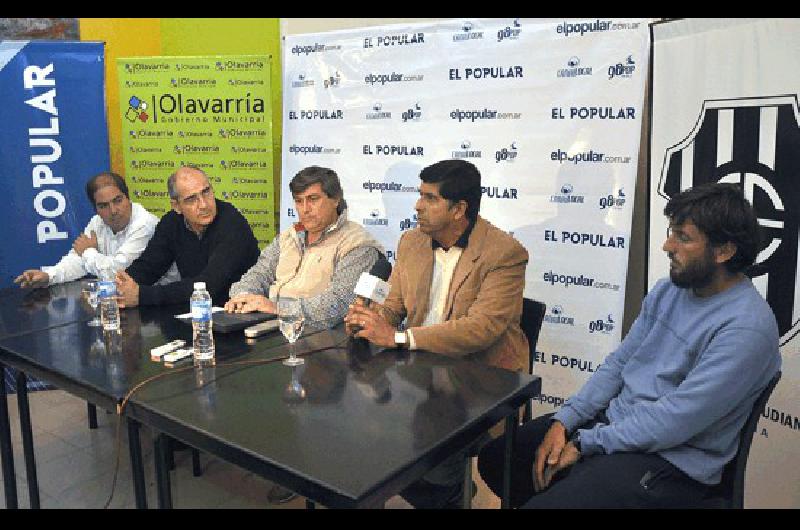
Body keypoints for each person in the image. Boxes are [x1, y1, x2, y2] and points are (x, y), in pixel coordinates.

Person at [478, 182, 782, 509]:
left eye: (683, 237)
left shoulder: (746, 328)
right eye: (671, 232)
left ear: (724, 251)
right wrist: (565, 421)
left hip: (672, 461)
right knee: (500, 459)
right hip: (618, 427)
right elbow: (620, 362)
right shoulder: (670, 290)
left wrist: (585, 443)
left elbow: (676, 420)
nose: (667, 245)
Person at [344, 159, 529, 508]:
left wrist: (399, 338)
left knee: (428, 453)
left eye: (430, 199)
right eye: (419, 195)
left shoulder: (504, 253)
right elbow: (394, 306)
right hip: (419, 369)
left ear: (459, 209)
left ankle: (448, 494)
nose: (417, 205)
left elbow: (482, 329)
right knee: (358, 431)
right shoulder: (411, 242)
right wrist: (369, 319)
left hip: (479, 375)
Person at [224, 166, 383, 333]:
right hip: (270, 328)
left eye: (313, 199)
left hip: (321, 340)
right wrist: (243, 297)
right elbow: (259, 274)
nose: (305, 209)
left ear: (335, 199)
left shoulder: (358, 245)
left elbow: (338, 305)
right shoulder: (289, 236)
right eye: (299, 201)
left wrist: (277, 308)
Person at [115, 165, 259, 307]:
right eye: (191, 199)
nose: (203, 205)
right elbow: (148, 267)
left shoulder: (232, 223)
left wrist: (142, 296)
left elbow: (209, 285)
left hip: (237, 313)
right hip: (196, 313)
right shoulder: (171, 223)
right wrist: (121, 286)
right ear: (176, 206)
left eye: (206, 192)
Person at [14, 172, 159, 289]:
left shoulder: (144, 224)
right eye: (103, 206)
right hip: (120, 300)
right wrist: (48, 276)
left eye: (118, 200)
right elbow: (78, 259)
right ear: (96, 208)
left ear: (128, 198)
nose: (113, 211)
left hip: (157, 304)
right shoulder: (97, 222)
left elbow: (118, 273)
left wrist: (88, 252)